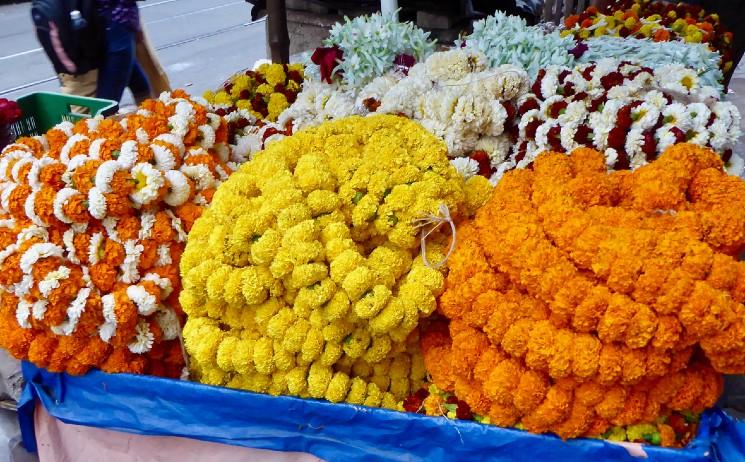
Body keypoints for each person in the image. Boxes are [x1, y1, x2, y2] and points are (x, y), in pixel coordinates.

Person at [96, 0, 152, 104]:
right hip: (116, 25)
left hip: (112, 24)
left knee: (140, 85)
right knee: (107, 103)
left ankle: (150, 113)